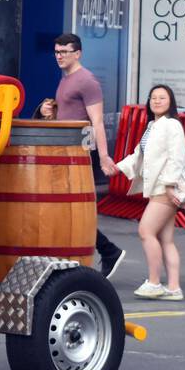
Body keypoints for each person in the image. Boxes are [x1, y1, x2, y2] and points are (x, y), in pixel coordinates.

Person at [52, 33, 126, 279]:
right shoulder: (66, 80)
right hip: (65, 151)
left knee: (76, 208)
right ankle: (105, 252)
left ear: (78, 53)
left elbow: (97, 122)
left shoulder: (87, 81)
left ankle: (108, 251)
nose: (60, 56)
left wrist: (104, 156)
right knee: (66, 209)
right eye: (57, 52)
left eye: (65, 52)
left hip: (81, 152)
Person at [114, 85, 185, 300]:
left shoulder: (172, 125)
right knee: (166, 239)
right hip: (161, 188)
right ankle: (174, 287)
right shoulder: (153, 125)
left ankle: (154, 282)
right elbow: (137, 156)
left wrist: (169, 184)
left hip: (164, 189)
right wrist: (117, 168)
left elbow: (177, 157)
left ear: (171, 101)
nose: (157, 101)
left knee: (145, 231)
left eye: (162, 97)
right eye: (153, 98)